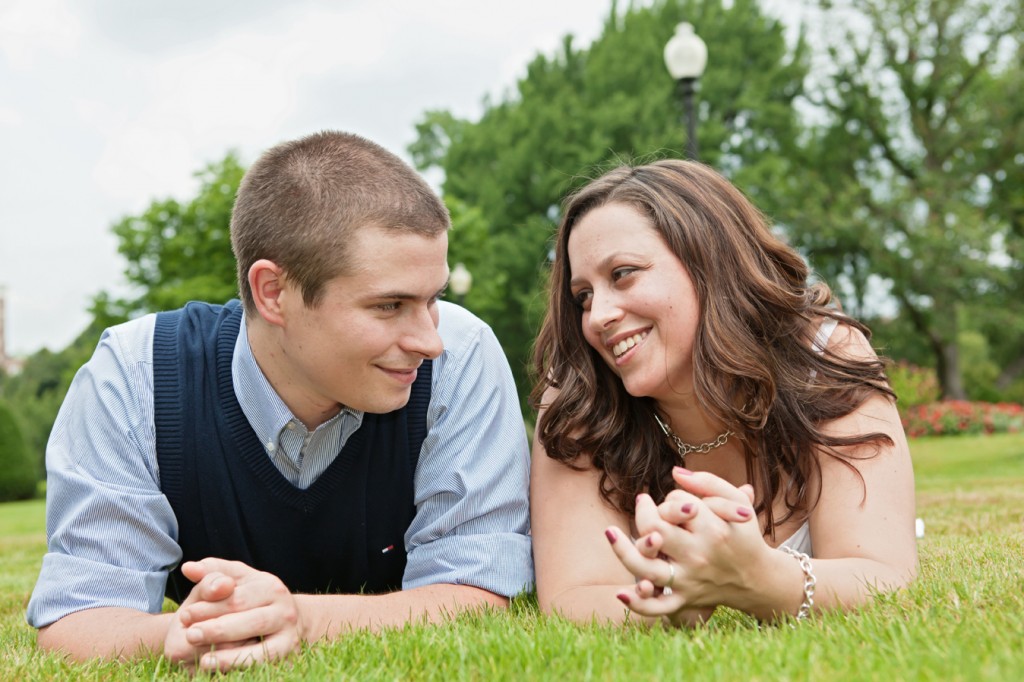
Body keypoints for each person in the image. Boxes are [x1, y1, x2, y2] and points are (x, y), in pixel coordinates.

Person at [26, 131, 533, 670]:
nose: (429, 340)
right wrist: (187, 635)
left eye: (434, 299)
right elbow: (79, 617)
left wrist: (297, 619)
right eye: (389, 305)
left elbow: (479, 598)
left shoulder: (461, 355)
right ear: (273, 292)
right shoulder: (134, 375)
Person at [530, 159, 917, 626]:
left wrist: (763, 579)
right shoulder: (579, 396)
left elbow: (885, 577)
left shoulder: (823, 358)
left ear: (708, 262)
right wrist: (680, 605)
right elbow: (572, 596)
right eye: (583, 296)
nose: (598, 316)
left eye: (624, 274)